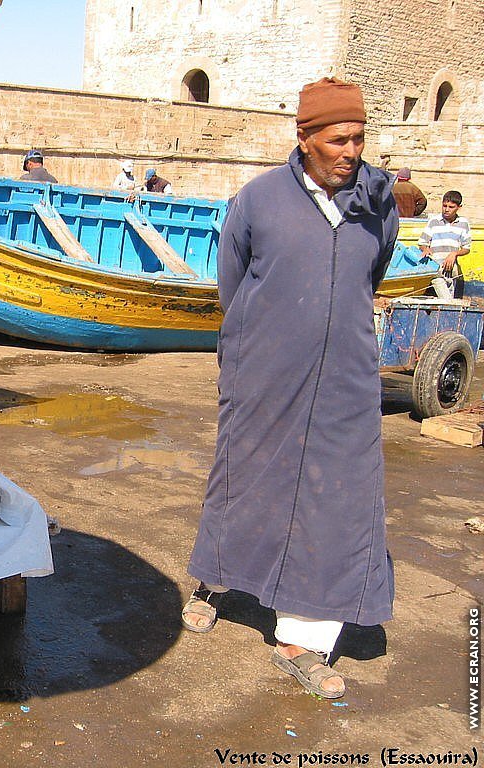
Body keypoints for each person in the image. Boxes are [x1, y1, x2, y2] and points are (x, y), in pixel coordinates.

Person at [182, 77, 398, 700]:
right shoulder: (259, 199)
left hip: (347, 378)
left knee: (337, 498)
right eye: (337, 139)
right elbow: (234, 280)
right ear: (304, 140)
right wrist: (253, 350)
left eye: (359, 138)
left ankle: (303, 635)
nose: (351, 151)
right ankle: (216, 581)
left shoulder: (377, 203)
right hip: (264, 369)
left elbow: (372, 269)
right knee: (245, 478)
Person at [418, 190, 471, 280]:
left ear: (459, 207)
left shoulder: (463, 223)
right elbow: (422, 243)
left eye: (451, 207)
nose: (446, 209)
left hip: (450, 269)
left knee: (449, 294)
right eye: (444, 206)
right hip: (434, 269)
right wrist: (425, 249)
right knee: (442, 293)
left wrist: (454, 254)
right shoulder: (434, 221)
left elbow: (466, 248)